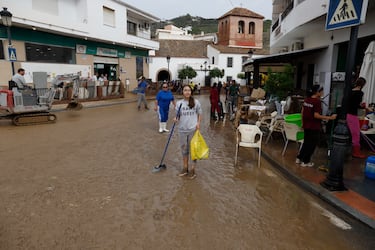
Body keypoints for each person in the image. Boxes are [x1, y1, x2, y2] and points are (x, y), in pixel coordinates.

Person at [296, 85, 337, 167]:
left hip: (306, 125)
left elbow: (302, 112)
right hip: (314, 126)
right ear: (317, 92)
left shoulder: (307, 100)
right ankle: (306, 161)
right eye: (321, 91)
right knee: (312, 144)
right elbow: (316, 115)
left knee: (306, 142)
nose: (322, 93)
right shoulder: (317, 102)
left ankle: (299, 158)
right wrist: (330, 117)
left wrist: (302, 123)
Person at [175, 85, 202, 179]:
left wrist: (198, 123)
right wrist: (176, 119)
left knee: (193, 151)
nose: (187, 92)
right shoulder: (179, 103)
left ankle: (193, 170)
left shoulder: (196, 102)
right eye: (185, 90)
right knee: (184, 150)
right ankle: (185, 168)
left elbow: (199, 114)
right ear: (182, 92)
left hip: (192, 130)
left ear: (191, 92)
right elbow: (178, 116)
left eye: (189, 90)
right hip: (182, 130)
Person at [347, 77, 371, 158]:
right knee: (356, 134)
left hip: (346, 114)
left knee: (352, 133)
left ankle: (353, 151)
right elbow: (357, 105)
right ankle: (356, 153)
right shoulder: (360, 93)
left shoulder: (350, 91)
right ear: (363, 85)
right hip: (352, 115)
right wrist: (364, 106)